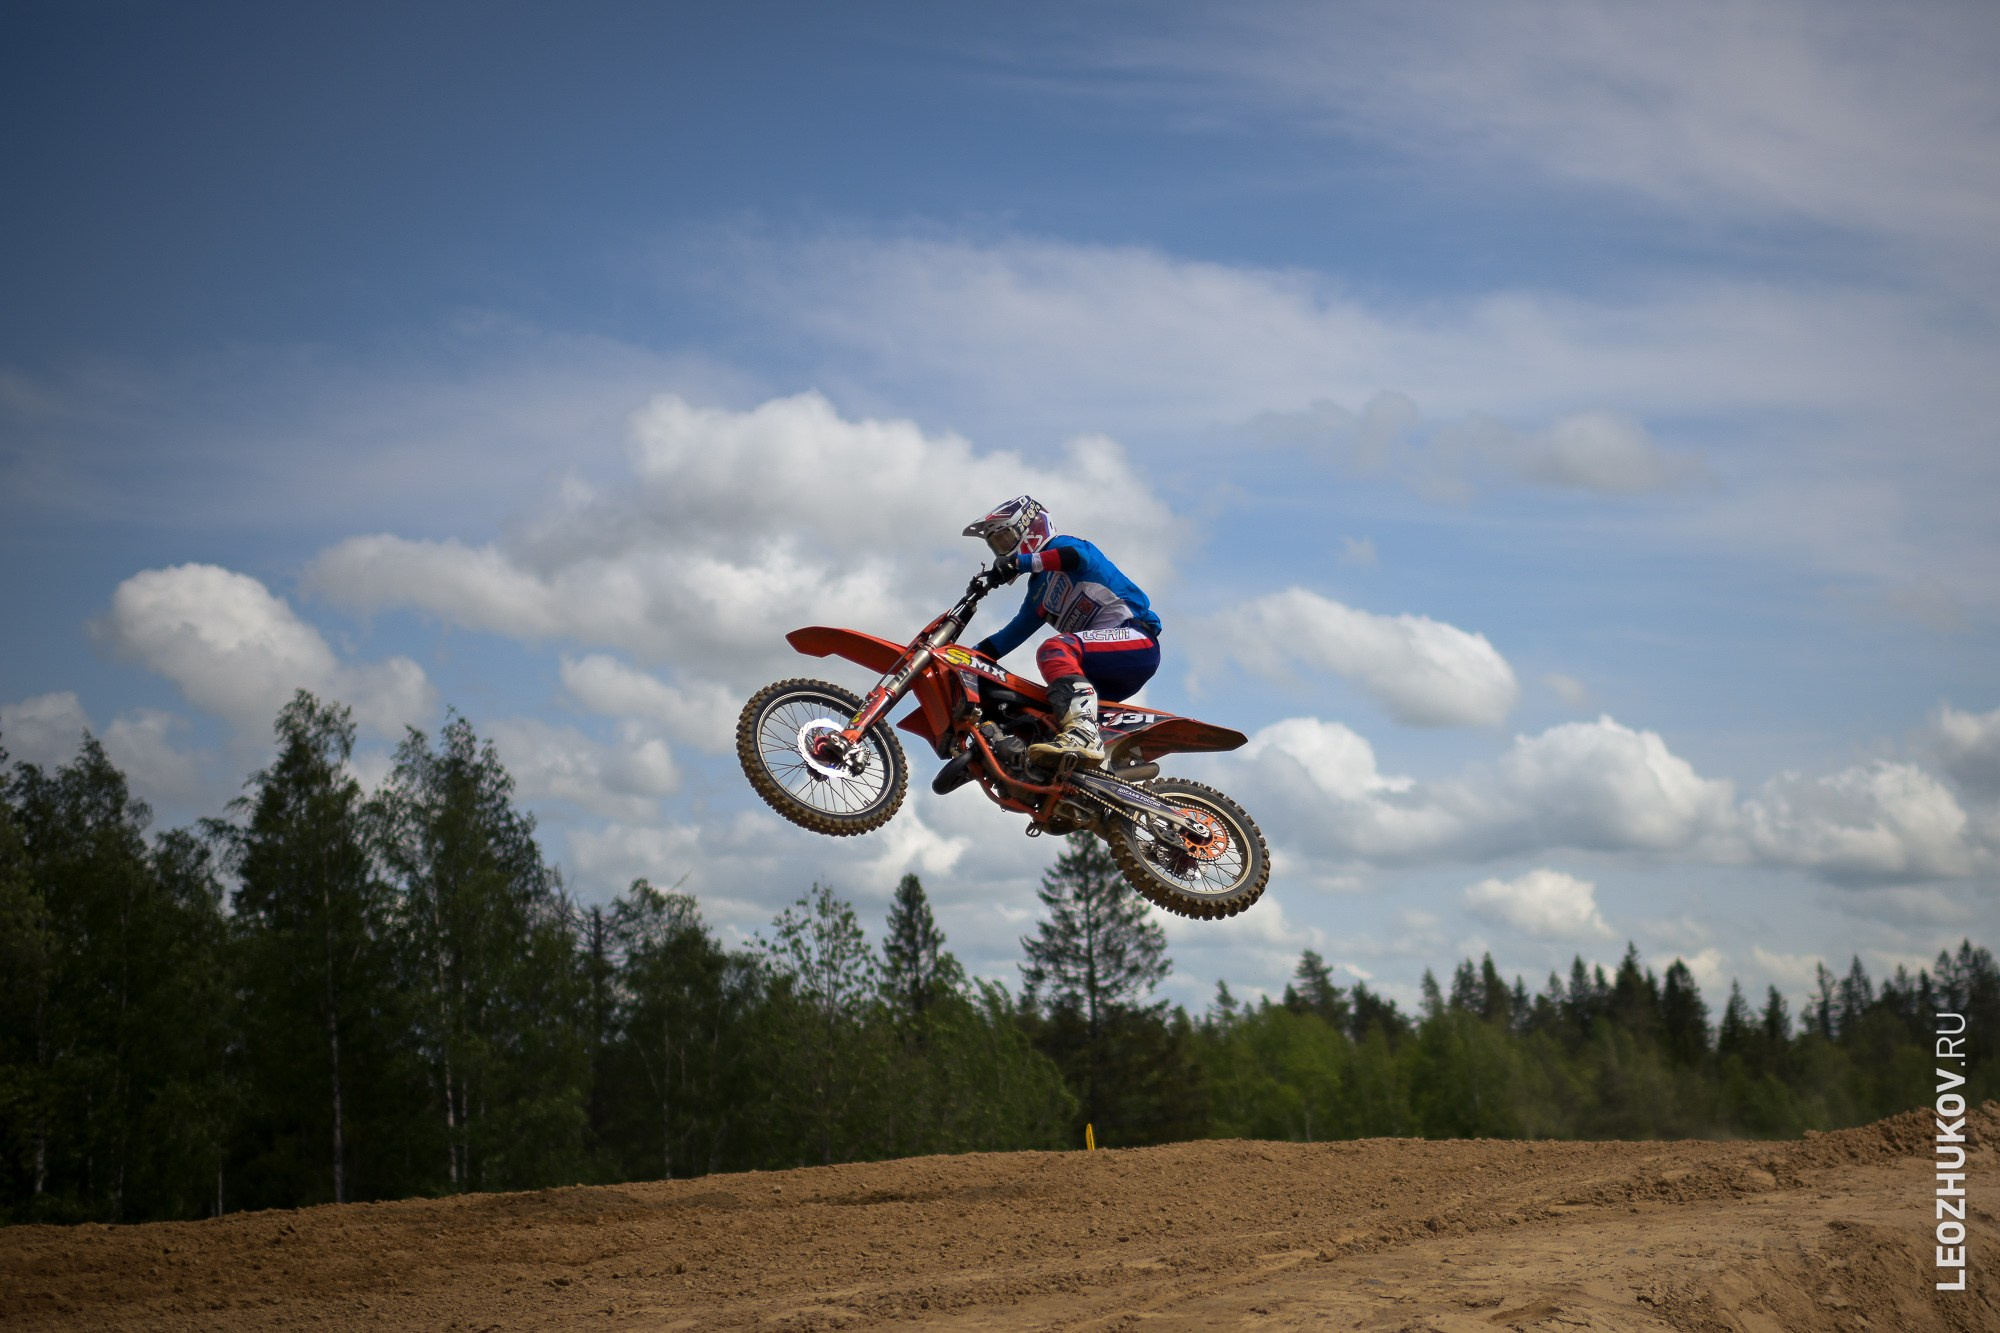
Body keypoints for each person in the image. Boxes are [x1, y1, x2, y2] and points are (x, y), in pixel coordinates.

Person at [963, 495, 1161, 765]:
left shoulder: (1067, 546)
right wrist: (963, 660)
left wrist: (1019, 563)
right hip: (1098, 672)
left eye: (1006, 539)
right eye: (996, 546)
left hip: (1135, 640)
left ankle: (1084, 733)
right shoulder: (1037, 592)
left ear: (1030, 528)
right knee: (1038, 714)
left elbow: (1074, 558)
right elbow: (1006, 639)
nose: (1003, 552)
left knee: (1055, 647)